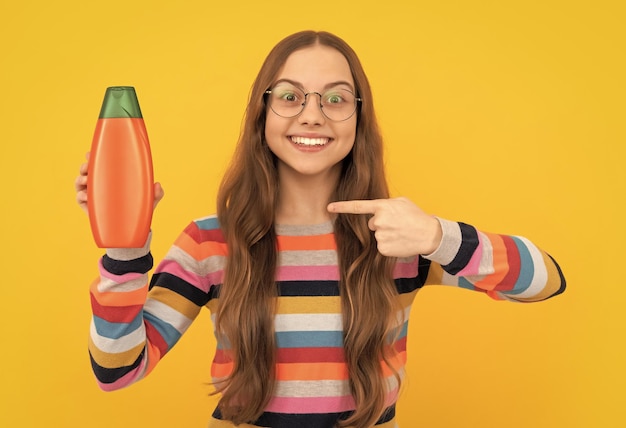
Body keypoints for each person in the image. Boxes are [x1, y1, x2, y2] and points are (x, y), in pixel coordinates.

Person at [75, 30, 566, 428]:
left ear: (359, 116)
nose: (312, 114)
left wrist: (438, 237)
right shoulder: (211, 243)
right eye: (290, 96)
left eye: (336, 98)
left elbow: (546, 280)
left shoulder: (397, 239)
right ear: (262, 112)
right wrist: (126, 250)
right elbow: (117, 371)